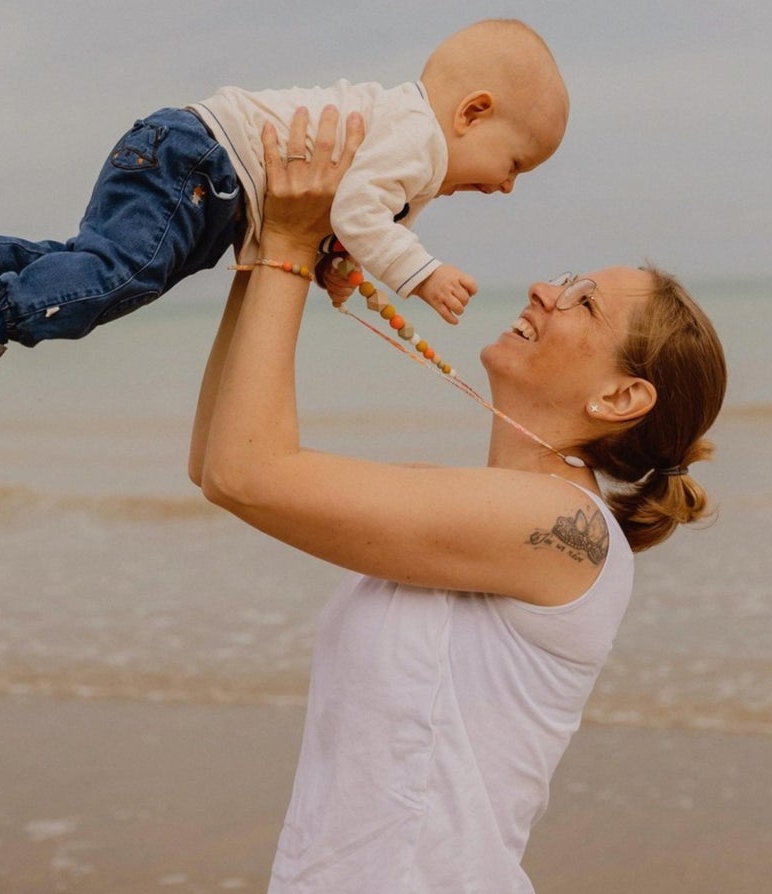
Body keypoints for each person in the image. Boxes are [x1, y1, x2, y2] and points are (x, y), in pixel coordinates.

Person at [189, 108, 727, 892]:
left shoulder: (563, 525)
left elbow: (247, 473)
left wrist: (291, 248)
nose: (545, 289)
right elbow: (219, 462)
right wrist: (267, 244)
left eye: (582, 302)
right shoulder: (484, 513)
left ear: (620, 397)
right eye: (567, 279)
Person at [0, 18, 569, 404]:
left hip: (194, 159)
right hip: (203, 162)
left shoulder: (405, 143)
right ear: (472, 113)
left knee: (95, 263)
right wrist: (424, 274)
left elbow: (350, 221)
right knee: (124, 275)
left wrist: (337, 266)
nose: (507, 187)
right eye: (515, 164)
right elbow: (360, 212)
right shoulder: (418, 139)